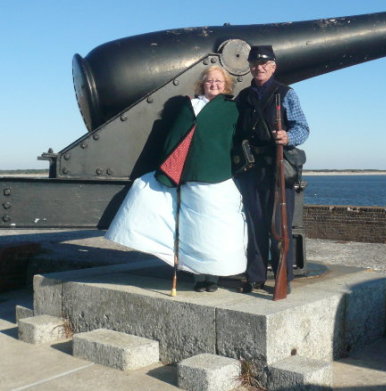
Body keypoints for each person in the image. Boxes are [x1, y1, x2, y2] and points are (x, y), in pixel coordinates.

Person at [106, 65, 247, 293]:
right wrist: (172, 168)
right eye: (210, 81)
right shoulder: (189, 107)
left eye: (219, 82)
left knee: (215, 230)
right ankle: (197, 276)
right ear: (203, 84)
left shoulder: (231, 109)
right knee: (193, 229)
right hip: (190, 176)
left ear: (226, 85)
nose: (214, 85)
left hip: (217, 176)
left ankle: (213, 277)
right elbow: (176, 139)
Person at [235, 45, 310, 293]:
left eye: (264, 64)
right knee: (255, 224)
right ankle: (255, 275)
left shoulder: (286, 94)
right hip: (251, 169)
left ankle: (282, 277)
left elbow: (302, 128)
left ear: (273, 66)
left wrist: (287, 137)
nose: (259, 68)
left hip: (277, 168)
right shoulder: (243, 98)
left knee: (280, 226)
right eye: (255, 64)